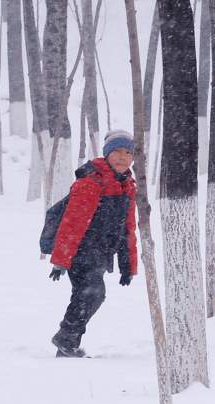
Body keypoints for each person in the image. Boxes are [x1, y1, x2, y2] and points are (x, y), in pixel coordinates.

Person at [49, 130, 138, 358]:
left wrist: (128, 265)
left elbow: (127, 228)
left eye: (128, 152)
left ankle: (67, 345)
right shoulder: (91, 182)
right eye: (117, 151)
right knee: (92, 293)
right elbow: (72, 224)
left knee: (87, 295)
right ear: (107, 154)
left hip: (100, 253)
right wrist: (60, 260)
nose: (122, 157)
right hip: (80, 252)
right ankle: (66, 339)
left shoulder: (127, 185)